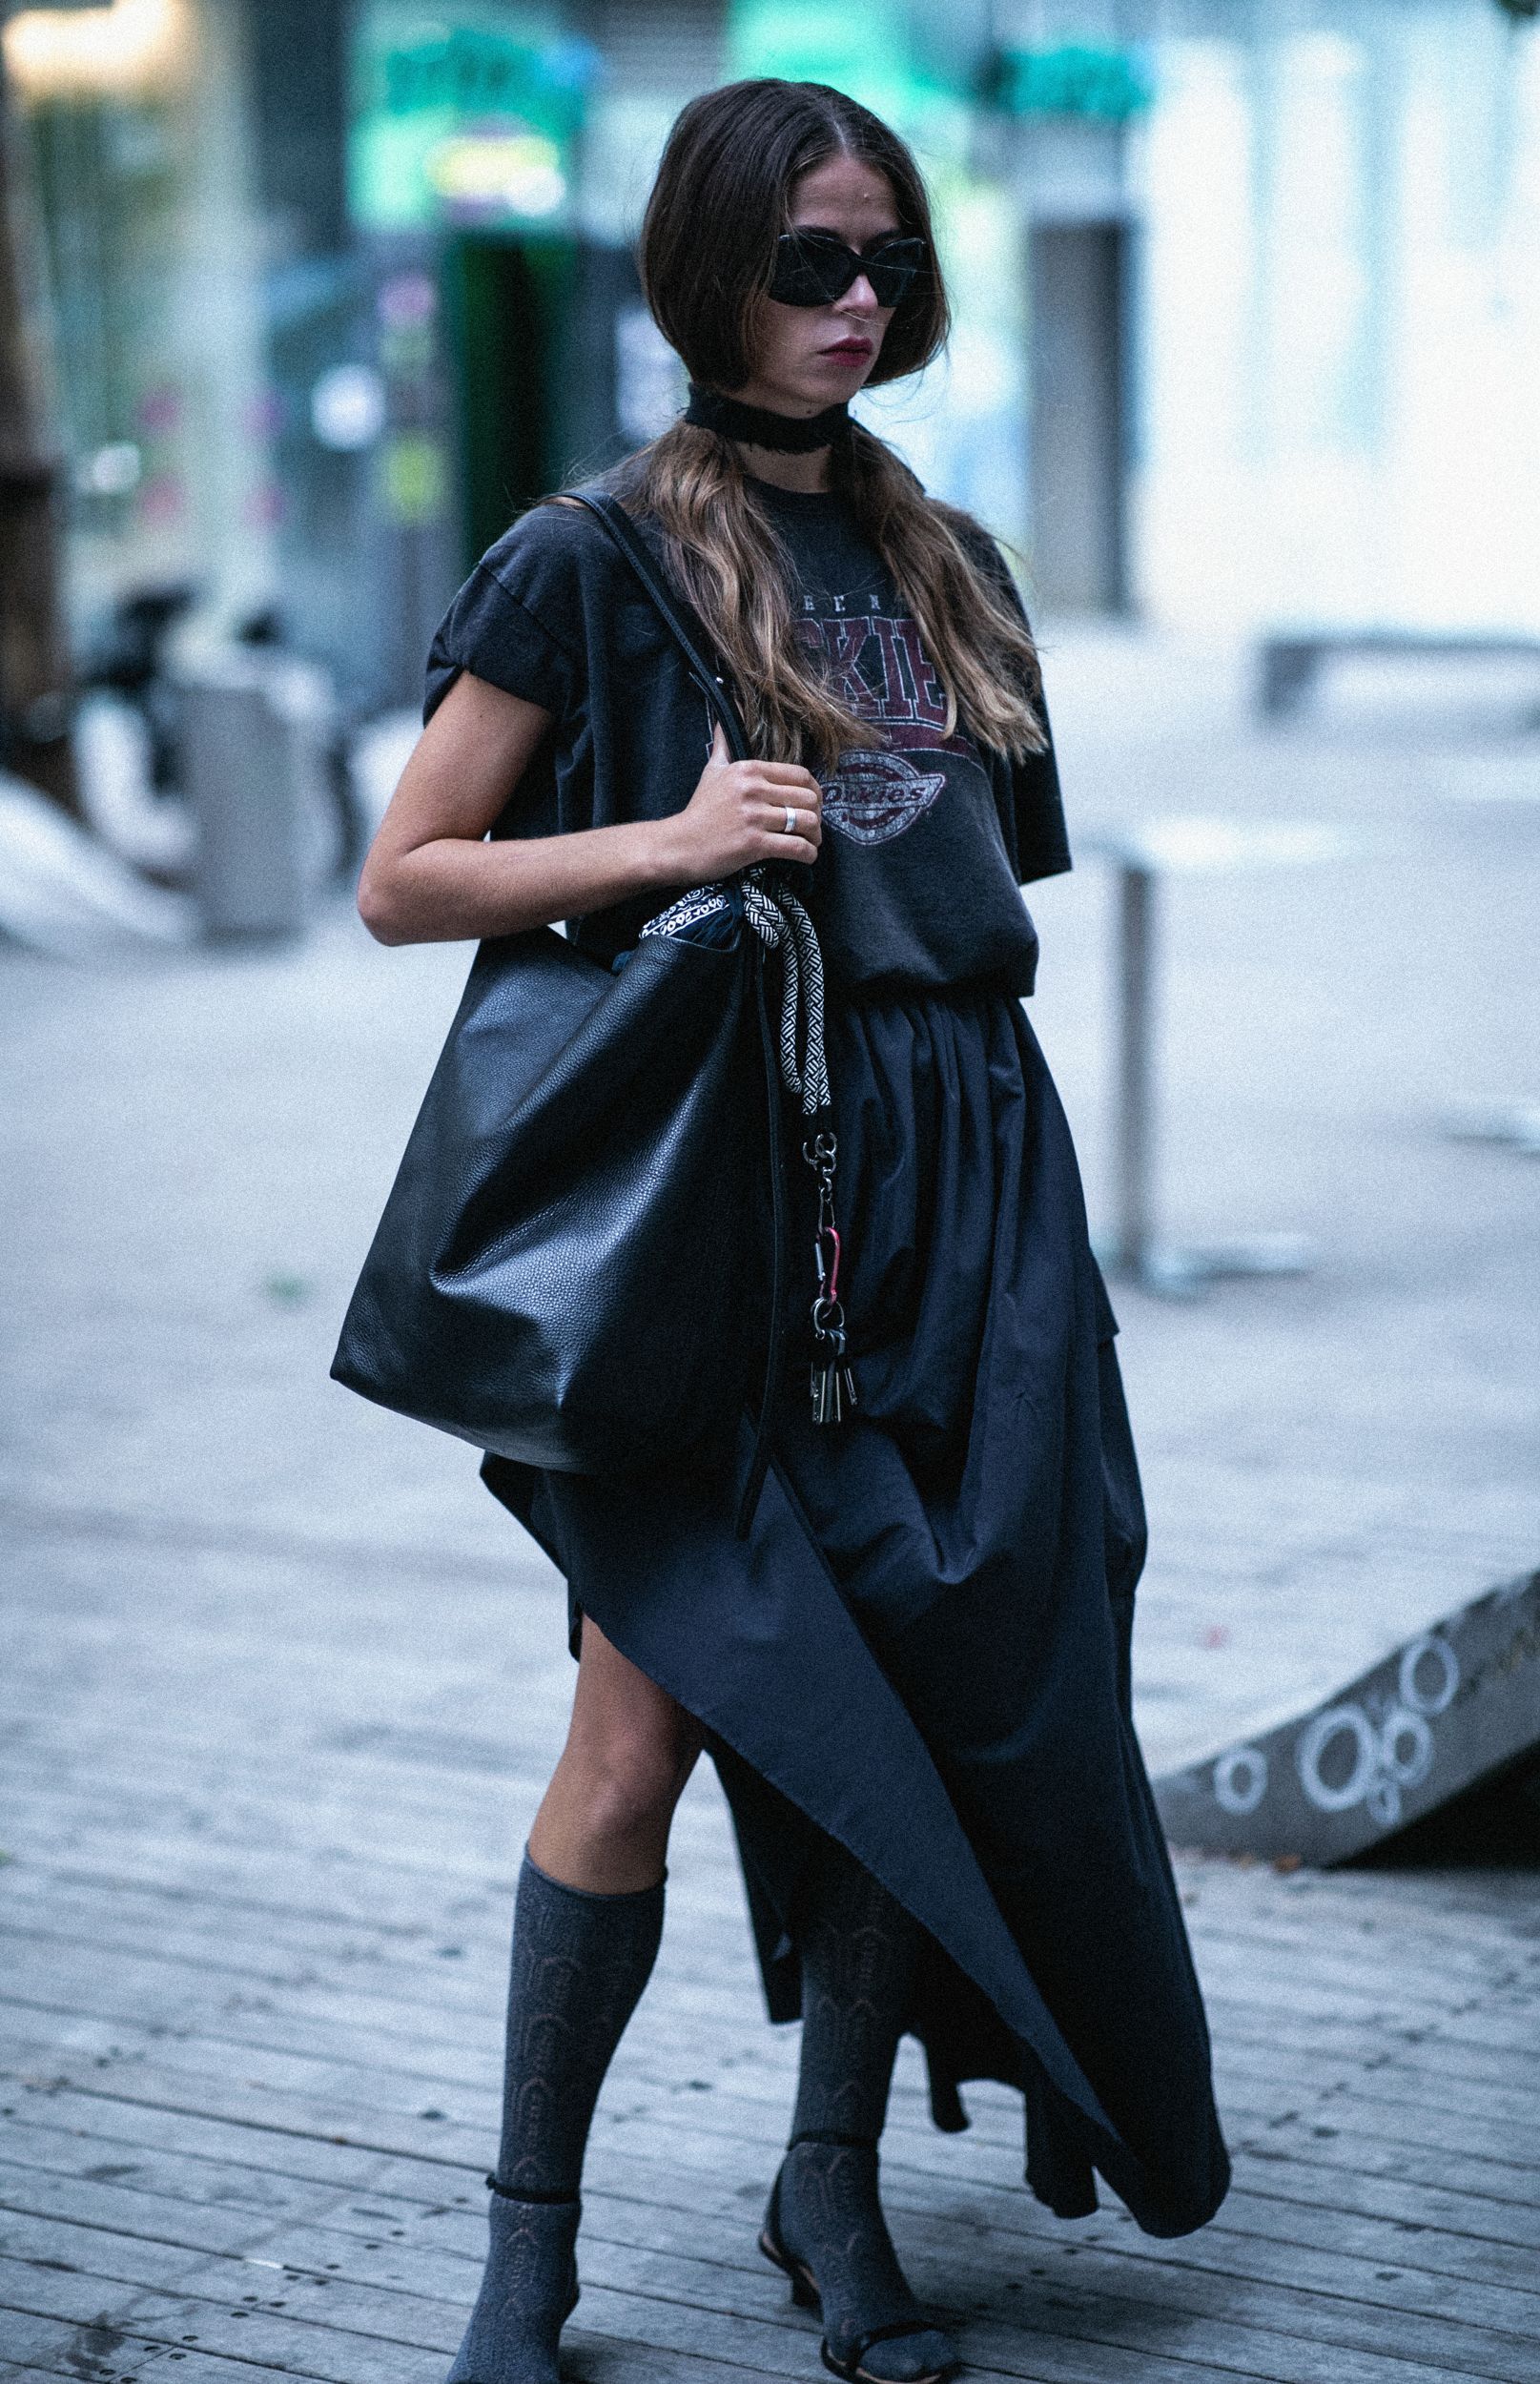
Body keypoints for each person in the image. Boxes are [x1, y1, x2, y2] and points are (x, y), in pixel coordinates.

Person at [356, 75, 1230, 2384]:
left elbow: (965, 913)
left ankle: (831, 2194)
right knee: (641, 1732)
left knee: (925, 1707)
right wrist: (658, 837)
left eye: (886, 263)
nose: (855, 302)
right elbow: (404, 872)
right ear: (702, 271)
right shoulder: (589, 554)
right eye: (807, 261)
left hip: (967, 1203)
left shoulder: (950, 559)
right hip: (718, 1220)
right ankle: (520, 2253)